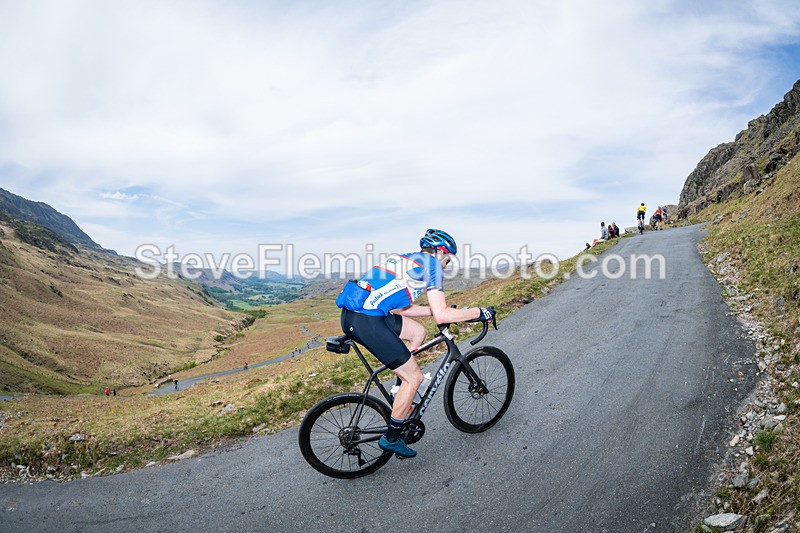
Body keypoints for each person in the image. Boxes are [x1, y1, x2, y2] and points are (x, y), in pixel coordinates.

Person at [337, 228, 496, 458]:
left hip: (361, 315)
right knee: (415, 377)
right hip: (367, 321)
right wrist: (479, 312)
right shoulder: (432, 267)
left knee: (418, 333)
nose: (447, 266)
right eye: (448, 261)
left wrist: (435, 312)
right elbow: (442, 316)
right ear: (441, 253)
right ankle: (391, 438)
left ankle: (400, 392)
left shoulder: (409, 259)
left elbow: (404, 308)